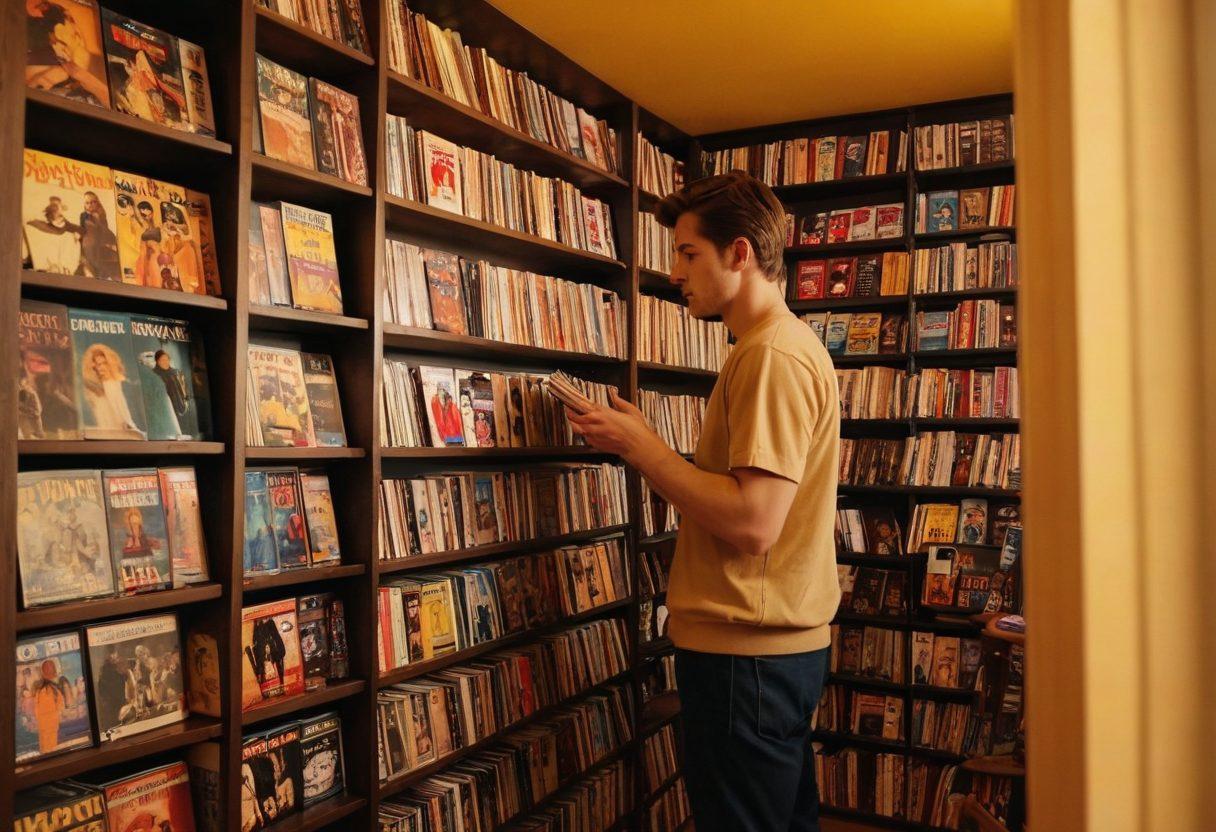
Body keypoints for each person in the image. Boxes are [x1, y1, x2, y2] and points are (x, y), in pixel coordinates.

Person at [567, 171, 841, 832]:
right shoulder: (773, 348)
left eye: (689, 254)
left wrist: (643, 450)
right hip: (765, 651)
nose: (674, 272)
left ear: (739, 254)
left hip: (747, 657)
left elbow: (753, 524)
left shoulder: (772, 356)